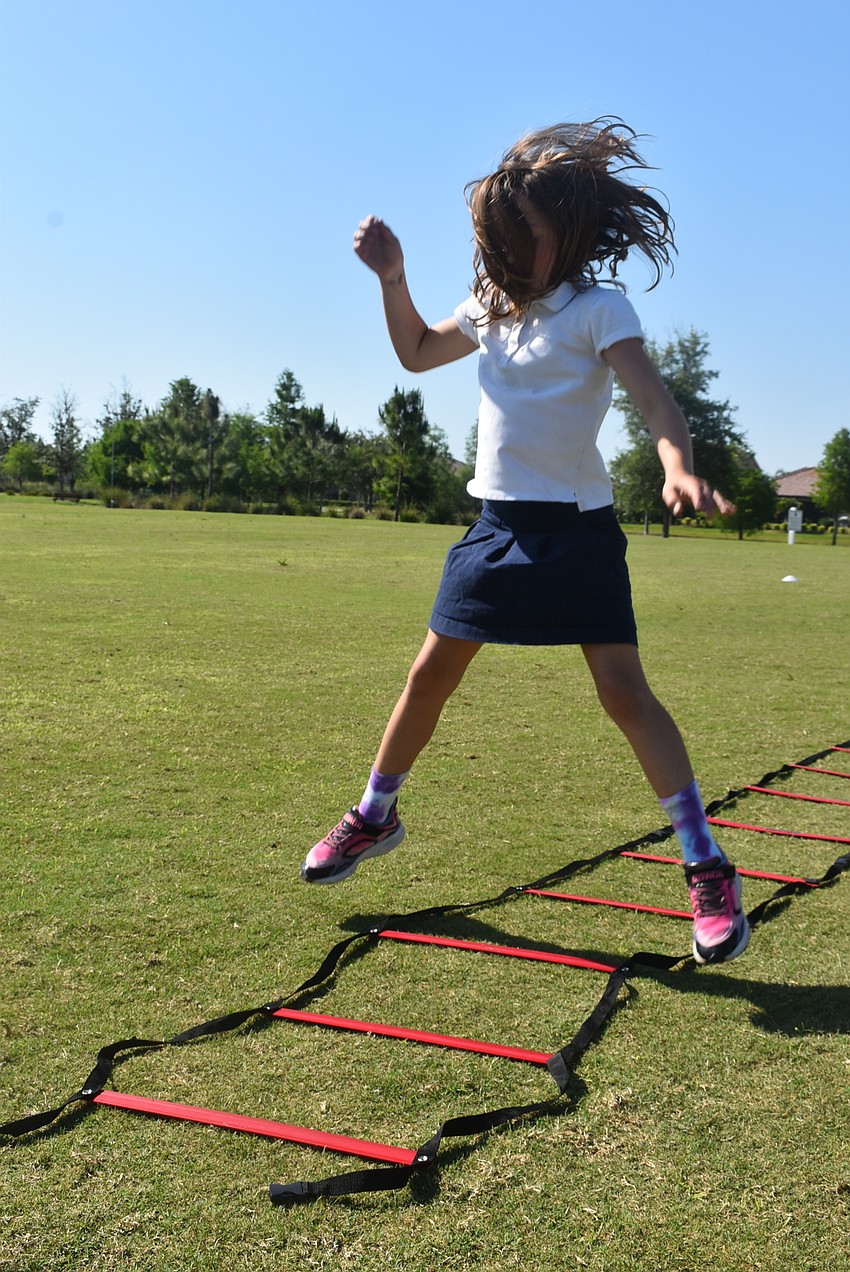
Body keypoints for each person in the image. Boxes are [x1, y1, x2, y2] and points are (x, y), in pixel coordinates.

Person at [300, 119, 749, 966]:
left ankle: (707, 866)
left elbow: (656, 400)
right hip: (495, 527)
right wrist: (393, 279)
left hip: (576, 530)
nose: (511, 251)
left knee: (624, 693)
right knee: (429, 674)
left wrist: (678, 466)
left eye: (527, 236)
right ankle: (374, 814)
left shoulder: (598, 307)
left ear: (566, 234)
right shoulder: (491, 309)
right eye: (500, 236)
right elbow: (415, 352)